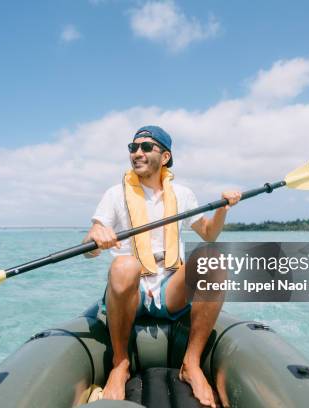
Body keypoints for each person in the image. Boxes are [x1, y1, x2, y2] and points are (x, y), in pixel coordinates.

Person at [83, 125, 241, 407]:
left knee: (212, 258)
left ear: (165, 156)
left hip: (170, 286)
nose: (137, 153)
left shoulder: (182, 194)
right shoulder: (114, 194)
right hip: (132, 288)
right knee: (124, 265)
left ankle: (190, 364)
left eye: (146, 147)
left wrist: (222, 210)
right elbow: (90, 247)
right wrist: (95, 236)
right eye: (133, 148)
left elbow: (208, 233)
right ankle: (120, 365)